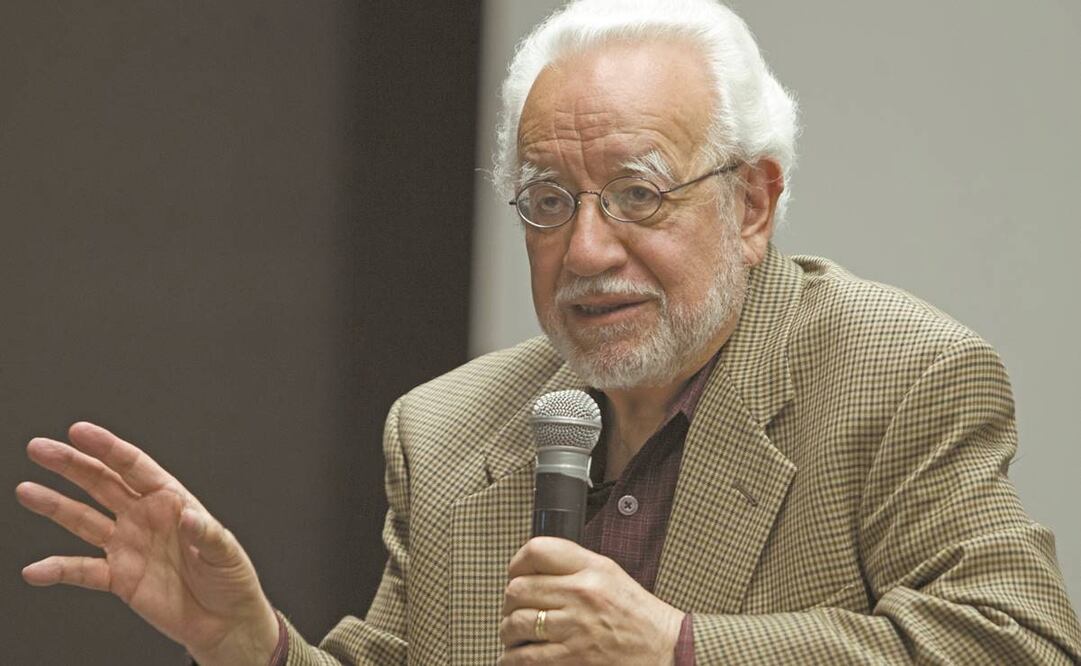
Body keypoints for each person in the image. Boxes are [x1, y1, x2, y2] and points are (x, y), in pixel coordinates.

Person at [16, 0, 1081, 663]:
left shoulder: (897, 378)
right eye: (545, 201)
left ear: (752, 205)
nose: (584, 252)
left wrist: (680, 649)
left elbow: (1020, 643)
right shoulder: (445, 435)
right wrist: (252, 650)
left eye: (636, 194)